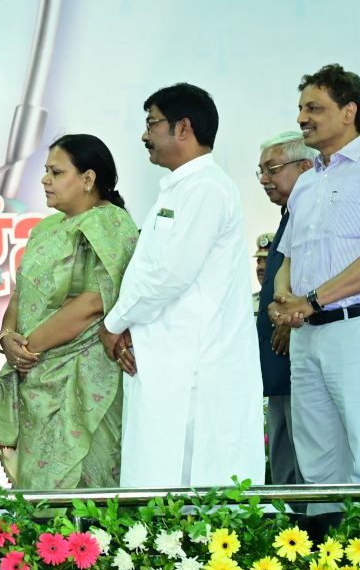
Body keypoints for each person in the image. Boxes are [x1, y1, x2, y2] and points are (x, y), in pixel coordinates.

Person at [98, 84, 265, 488]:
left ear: (184, 128)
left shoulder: (206, 188)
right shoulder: (182, 188)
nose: (145, 135)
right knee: (161, 481)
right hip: (167, 360)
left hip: (194, 366)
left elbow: (171, 274)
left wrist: (114, 323)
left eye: (152, 123)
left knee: (190, 483)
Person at [0, 134, 137, 489]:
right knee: (38, 494)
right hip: (36, 375)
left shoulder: (109, 222)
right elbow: (21, 294)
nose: (45, 179)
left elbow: (94, 302)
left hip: (82, 376)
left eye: (56, 172)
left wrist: (28, 348)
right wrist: (8, 338)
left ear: (88, 178)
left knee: (84, 495)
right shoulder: (47, 227)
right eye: (46, 171)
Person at [269, 64, 360, 495]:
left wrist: (312, 301)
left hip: (350, 329)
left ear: (349, 112)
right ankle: (325, 538)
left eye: (314, 108)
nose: (302, 117)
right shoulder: (305, 184)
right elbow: (288, 255)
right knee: (316, 461)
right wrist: (282, 299)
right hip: (306, 337)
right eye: (301, 108)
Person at [254, 131, 314, 487]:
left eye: (272, 169)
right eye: (261, 171)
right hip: (279, 364)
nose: (264, 179)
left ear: (305, 167)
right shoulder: (288, 215)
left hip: (301, 350)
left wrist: (294, 320)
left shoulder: (314, 215)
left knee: (307, 462)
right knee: (283, 466)